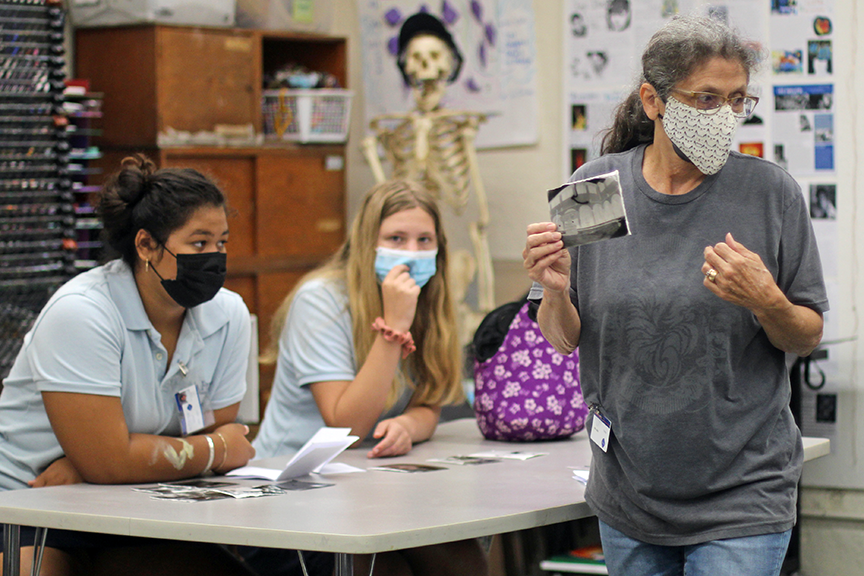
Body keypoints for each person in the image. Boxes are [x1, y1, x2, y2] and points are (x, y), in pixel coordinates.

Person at [523, 15, 827, 576]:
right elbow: (565, 339)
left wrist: (767, 301)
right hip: (629, 493)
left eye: (737, 100)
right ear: (654, 100)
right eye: (706, 99)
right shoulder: (595, 188)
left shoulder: (768, 192)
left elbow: (805, 335)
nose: (724, 116)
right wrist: (554, 290)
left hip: (744, 492)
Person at [0, 155, 257, 576]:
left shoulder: (227, 314)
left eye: (222, 242)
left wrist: (98, 464)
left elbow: (214, 431)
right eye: (198, 243)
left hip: (137, 506)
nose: (214, 256)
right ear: (145, 245)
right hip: (32, 506)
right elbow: (211, 445)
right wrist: (107, 463)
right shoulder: (82, 313)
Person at [246, 179, 488, 576]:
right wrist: (393, 326)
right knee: (383, 566)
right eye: (396, 237)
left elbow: (430, 400)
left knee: (460, 558)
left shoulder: (430, 298)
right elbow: (348, 426)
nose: (411, 253)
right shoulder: (321, 300)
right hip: (291, 492)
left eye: (424, 240)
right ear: (367, 243)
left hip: (371, 486)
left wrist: (409, 425)